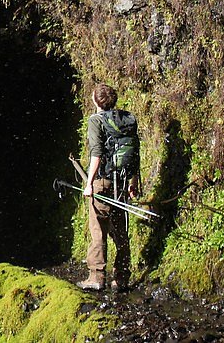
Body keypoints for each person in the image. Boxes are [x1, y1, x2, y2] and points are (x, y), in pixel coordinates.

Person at [78, 83, 140, 292]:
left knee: (98, 230)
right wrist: (133, 182)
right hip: (121, 182)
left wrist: (89, 184)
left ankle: (96, 277)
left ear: (96, 101)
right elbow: (134, 151)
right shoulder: (126, 119)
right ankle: (121, 278)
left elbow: (96, 154)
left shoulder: (96, 120)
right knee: (120, 231)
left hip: (102, 181)